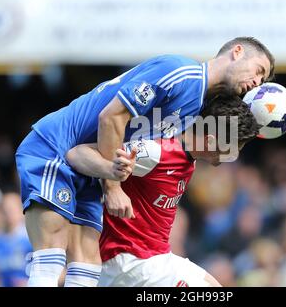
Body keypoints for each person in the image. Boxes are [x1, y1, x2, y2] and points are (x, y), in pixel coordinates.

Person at [15, 37, 274, 286]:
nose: (257, 81)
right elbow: (111, 118)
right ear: (237, 51)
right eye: (258, 70)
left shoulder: (195, 107)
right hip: (56, 146)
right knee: (48, 264)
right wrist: (113, 187)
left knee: (85, 272)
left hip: (91, 168)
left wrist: (108, 172)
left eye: (263, 79)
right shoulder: (180, 72)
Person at [66, 95, 261, 286]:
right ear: (211, 140)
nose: (234, 156)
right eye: (235, 148)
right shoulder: (156, 152)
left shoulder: (188, 159)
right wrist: (112, 179)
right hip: (130, 261)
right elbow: (77, 153)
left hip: (155, 258)